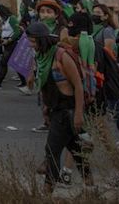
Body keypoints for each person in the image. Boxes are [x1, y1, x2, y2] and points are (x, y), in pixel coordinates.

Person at [26, 21, 90, 192]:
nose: (31, 45)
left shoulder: (61, 56)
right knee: (77, 152)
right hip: (56, 110)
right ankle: (91, 187)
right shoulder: (41, 57)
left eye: (33, 41)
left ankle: (47, 192)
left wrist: (78, 113)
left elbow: (78, 85)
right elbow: (42, 86)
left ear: (42, 40)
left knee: (52, 151)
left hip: (67, 111)